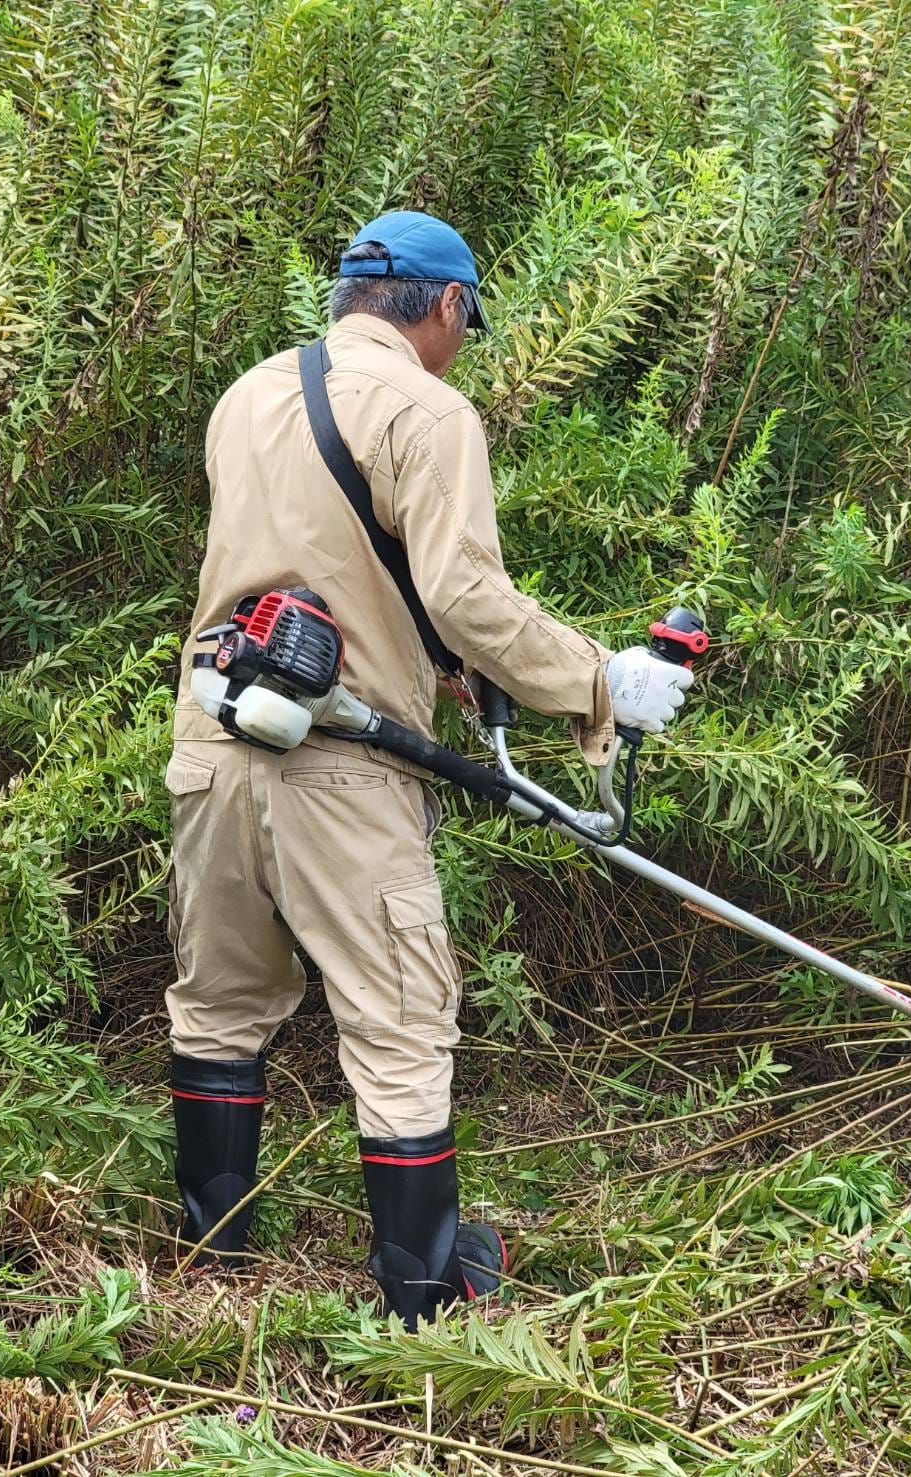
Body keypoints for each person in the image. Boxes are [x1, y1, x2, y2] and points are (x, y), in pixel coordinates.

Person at [164, 210, 693, 1327]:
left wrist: (438, 664)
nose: (463, 342)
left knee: (219, 1003)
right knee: (402, 1022)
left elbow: (318, 563)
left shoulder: (249, 394)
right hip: (340, 770)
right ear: (445, 305)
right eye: (469, 323)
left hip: (212, 746)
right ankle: (424, 1299)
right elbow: (462, 593)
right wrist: (603, 681)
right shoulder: (429, 409)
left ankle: (210, 1261)